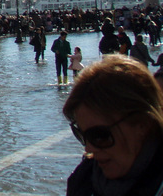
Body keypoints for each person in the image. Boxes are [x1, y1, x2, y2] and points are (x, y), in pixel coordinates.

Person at [63, 57, 163, 195]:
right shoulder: (82, 180)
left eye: (100, 136)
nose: (89, 148)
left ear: (143, 125)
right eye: (80, 135)